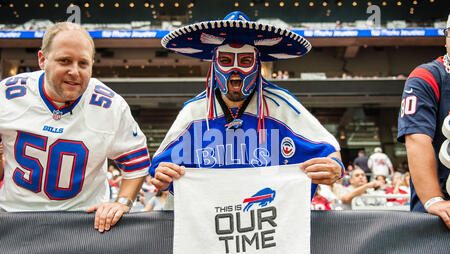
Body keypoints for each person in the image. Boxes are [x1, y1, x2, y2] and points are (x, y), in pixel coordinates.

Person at [150, 11, 344, 198]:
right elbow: (160, 169)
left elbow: (329, 152)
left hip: (269, 221)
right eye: (225, 60)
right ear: (214, 65)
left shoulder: (281, 106)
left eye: (245, 61)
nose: (235, 70)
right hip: (212, 221)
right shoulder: (194, 112)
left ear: (258, 64)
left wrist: (335, 167)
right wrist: (163, 176)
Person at [0, 22, 150, 232]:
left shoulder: (111, 106)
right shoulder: (7, 96)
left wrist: (122, 203)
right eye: (65, 61)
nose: (74, 71)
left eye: (83, 63)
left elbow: (137, 162)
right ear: (42, 60)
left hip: (83, 224)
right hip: (14, 218)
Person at [397, 14, 450, 228]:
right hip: (441, 209)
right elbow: (417, 139)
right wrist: (434, 199)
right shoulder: (427, 76)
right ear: (447, 36)